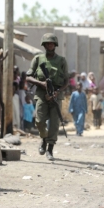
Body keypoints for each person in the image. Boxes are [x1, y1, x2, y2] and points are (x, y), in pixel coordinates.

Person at [26, 33, 69, 161]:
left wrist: (58, 91)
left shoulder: (61, 60)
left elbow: (66, 80)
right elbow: (28, 76)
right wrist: (41, 83)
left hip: (56, 94)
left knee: (55, 124)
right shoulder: (38, 59)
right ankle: (43, 139)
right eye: (47, 43)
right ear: (44, 45)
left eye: (52, 43)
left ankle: (50, 148)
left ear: (55, 45)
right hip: (41, 93)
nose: (50, 45)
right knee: (39, 121)